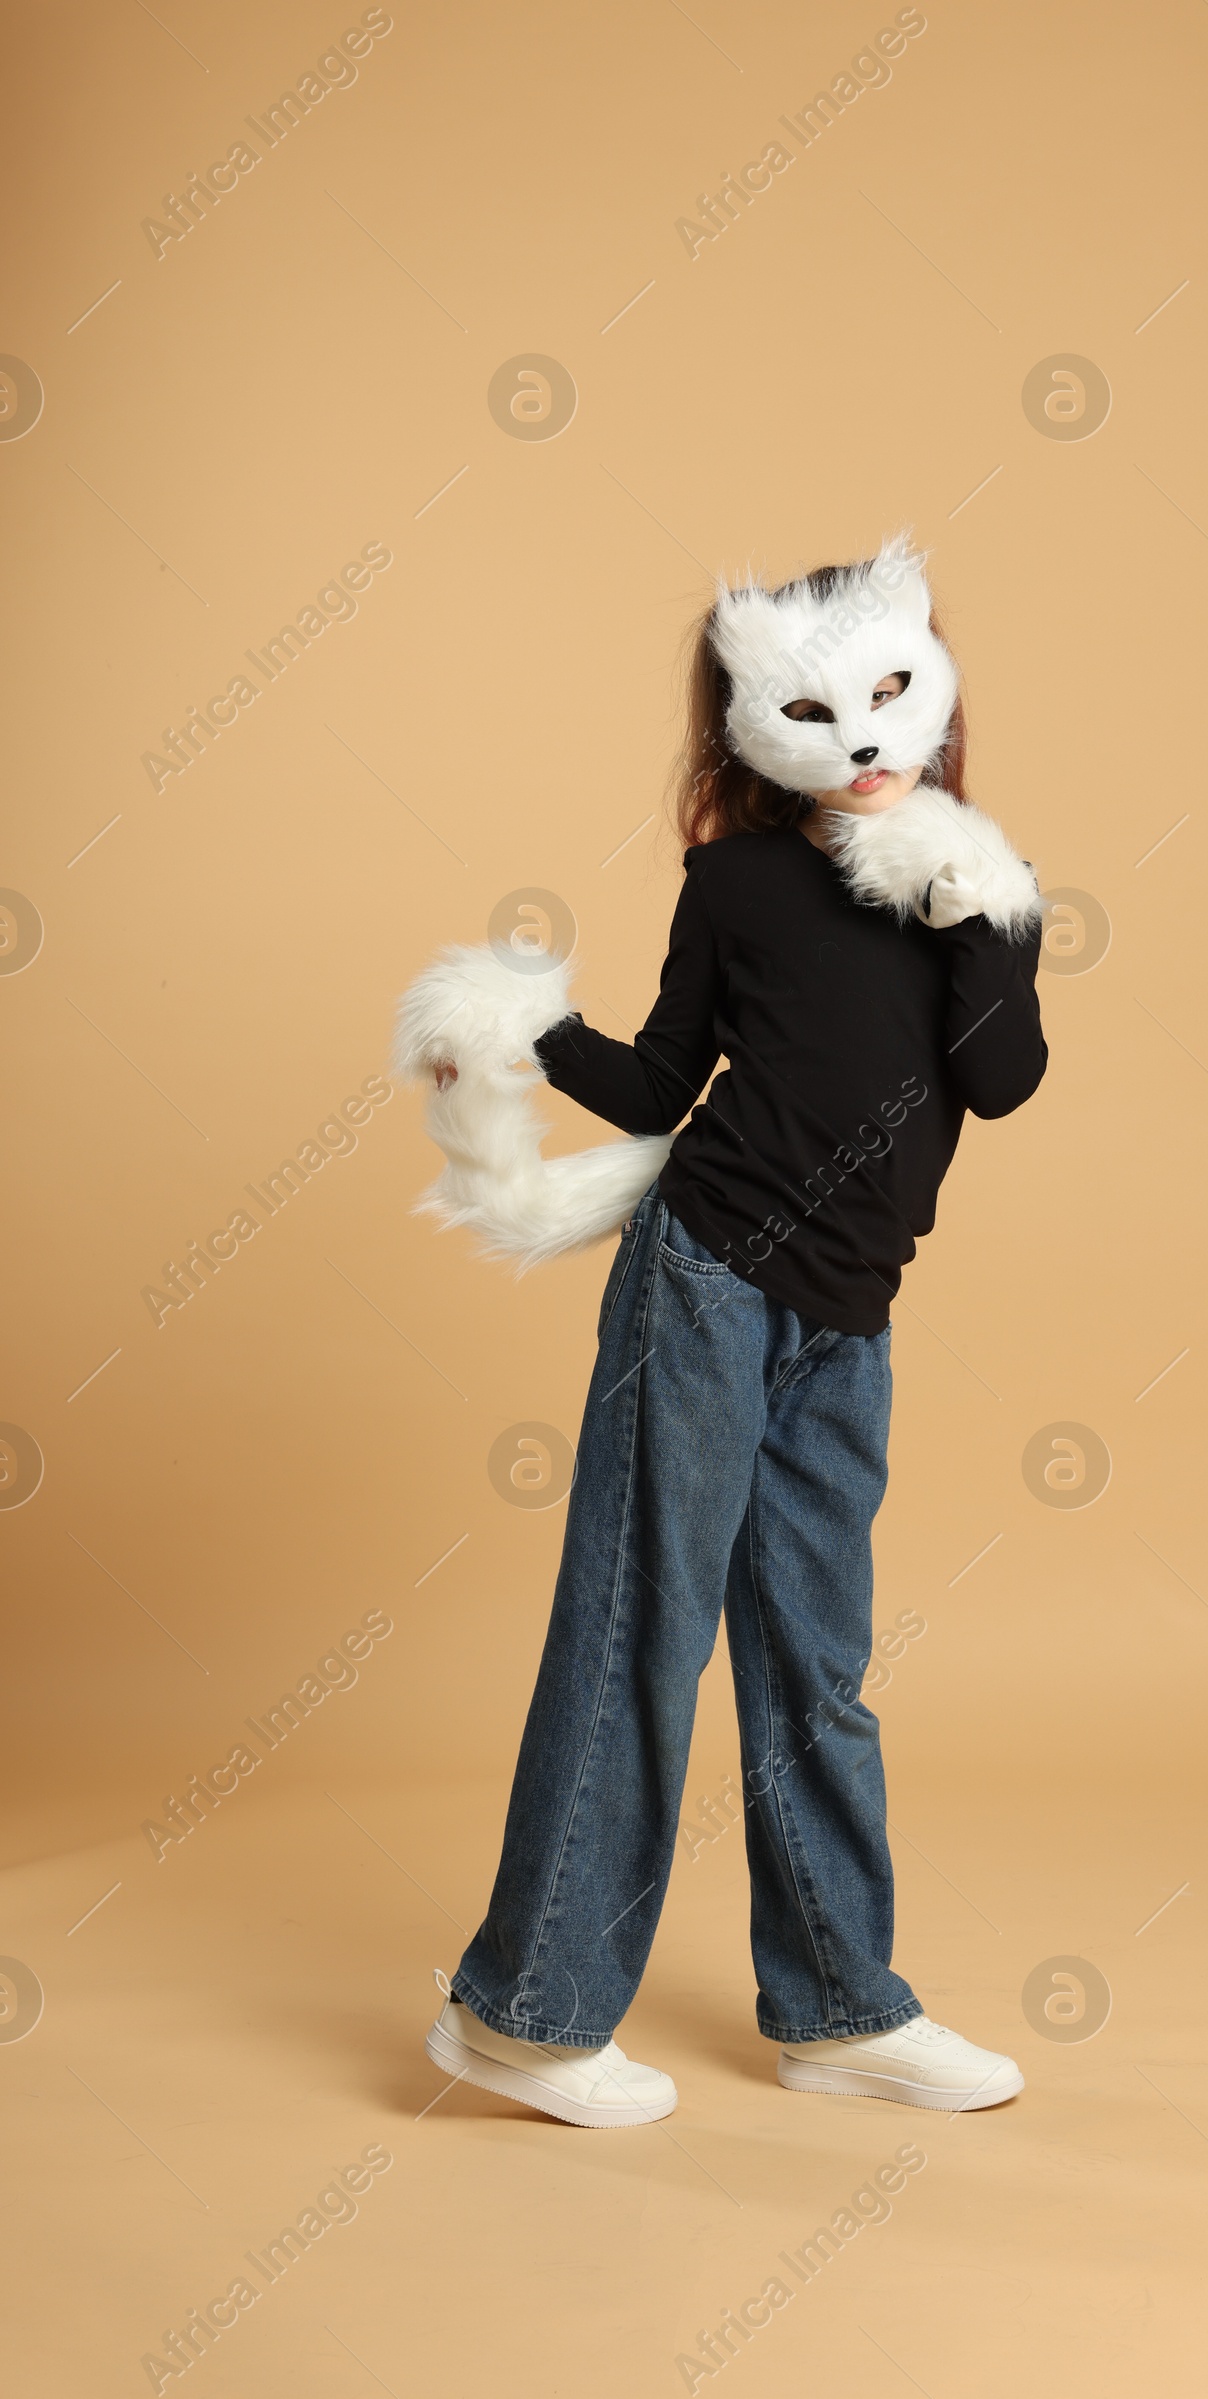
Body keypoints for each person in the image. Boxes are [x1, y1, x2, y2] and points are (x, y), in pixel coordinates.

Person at [403, 535, 1047, 2126]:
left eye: (895, 698)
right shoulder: (742, 880)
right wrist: (523, 1029)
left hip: (848, 1316)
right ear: (754, 721)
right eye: (826, 711)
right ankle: (525, 2019)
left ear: (935, 691)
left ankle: (839, 2009)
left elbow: (1003, 1077)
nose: (869, 739)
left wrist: (979, 913)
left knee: (818, 1664)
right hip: (705, 1275)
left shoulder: (985, 887)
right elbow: (657, 1080)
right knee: (642, 1630)